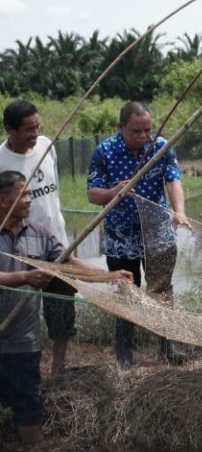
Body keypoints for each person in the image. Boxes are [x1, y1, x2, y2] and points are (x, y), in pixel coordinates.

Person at [0, 170, 131, 447]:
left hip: (24, 340)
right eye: (23, 193)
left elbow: (68, 263)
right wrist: (24, 277)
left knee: (28, 404)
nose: (29, 199)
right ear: (3, 200)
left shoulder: (39, 234)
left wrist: (108, 276)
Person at [87, 101, 190, 368]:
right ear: (120, 127)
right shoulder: (104, 151)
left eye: (147, 130)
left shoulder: (161, 147)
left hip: (157, 230)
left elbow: (173, 180)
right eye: (136, 131)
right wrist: (114, 192)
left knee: (162, 288)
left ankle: (167, 346)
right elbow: (92, 194)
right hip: (120, 234)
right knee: (125, 290)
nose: (144, 136)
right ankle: (125, 354)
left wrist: (179, 211)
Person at [0, 100, 73, 375]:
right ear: (10, 130)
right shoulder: (1, 160)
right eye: (28, 129)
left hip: (55, 241)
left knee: (62, 303)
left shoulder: (46, 146)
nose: (35, 133)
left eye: (37, 127)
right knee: (16, 306)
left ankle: (59, 365)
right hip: (17, 245)